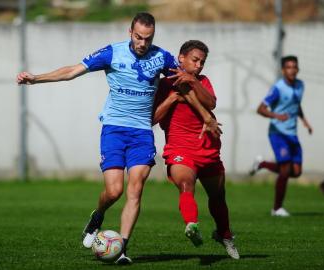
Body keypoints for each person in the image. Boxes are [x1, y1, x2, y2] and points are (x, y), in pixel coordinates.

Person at [16, 12, 179, 264]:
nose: (143, 43)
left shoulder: (162, 57)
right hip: (114, 129)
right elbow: (72, 70)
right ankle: (98, 215)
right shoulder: (112, 52)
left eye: (148, 38)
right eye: (138, 37)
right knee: (114, 191)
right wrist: (36, 79)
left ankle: (121, 249)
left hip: (142, 133)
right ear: (130, 32)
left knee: (135, 189)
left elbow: (186, 81)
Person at [152, 40, 239, 259]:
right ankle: (192, 224)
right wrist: (172, 98)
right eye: (195, 60)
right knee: (185, 183)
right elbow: (152, 118)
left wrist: (194, 82)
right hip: (179, 147)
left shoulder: (203, 81)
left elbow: (210, 103)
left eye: (202, 62)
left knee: (218, 196)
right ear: (181, 58)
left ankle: (225, 234)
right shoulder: (163, 85)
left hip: (207, 147)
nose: (199, 65)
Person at [249, 56, 313, 217]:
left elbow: (296, 104)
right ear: (283, 70)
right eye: (288, 67)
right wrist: (276, 116)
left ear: (298, 69)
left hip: (292, 133)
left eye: (294, 67)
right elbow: (260, 109)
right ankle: (277, 208)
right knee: (285, 169)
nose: (292, 70)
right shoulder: (278, 88)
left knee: (296, 172)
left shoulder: (300, 85)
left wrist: (304, 120)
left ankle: (262, 164)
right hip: (278, 133)